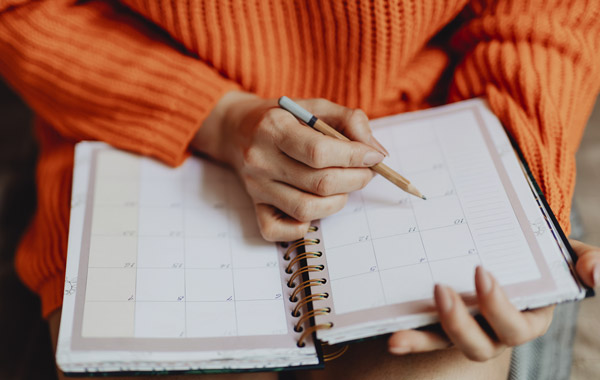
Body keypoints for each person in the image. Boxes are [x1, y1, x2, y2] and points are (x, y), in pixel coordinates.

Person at [1, 0, 599, 379]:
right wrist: (219, 116)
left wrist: (520, 196)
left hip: (423, 115)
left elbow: (549, 17)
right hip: (139, 125)